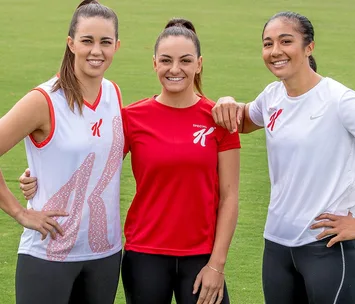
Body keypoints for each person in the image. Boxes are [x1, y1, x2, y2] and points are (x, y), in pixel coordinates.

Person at [20, 18, 241, 304]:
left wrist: (217, 264)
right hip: (144, 256)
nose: (175, 69)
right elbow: (89, 157)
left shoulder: (219, 119)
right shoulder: (131, 118)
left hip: (201, 257)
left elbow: (230, 196)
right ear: (154, 64)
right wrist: (37, 176)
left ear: (199, 64)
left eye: (185, 60)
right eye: (166, 60)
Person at [211, 11, 355, 304]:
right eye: (268, 44)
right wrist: (227, 101)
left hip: (326, 248)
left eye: (286, 41)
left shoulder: (340, 101)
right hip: (277, 247)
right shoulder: (272, 97)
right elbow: (240, 121)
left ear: (309, 47)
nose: (275, 51)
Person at [1, 1, 124, 303]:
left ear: (116, 46)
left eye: (105, 42)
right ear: (71, 43)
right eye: (87, 41)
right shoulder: (44, 99)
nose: (97, 50)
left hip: (104, 254)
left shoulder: (113, 93)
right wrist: (19, 212)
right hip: (48, 255)